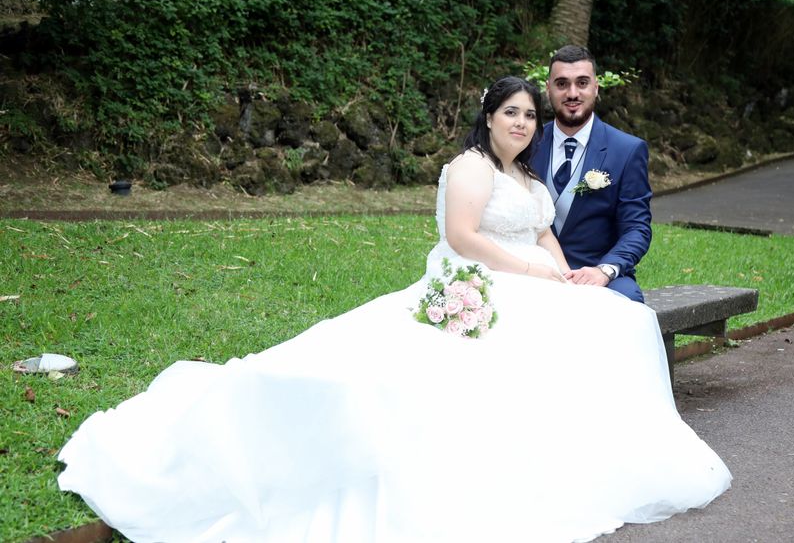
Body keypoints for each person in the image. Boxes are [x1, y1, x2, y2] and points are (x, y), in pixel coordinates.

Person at [57, 76, 731, 543]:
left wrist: (564, 268)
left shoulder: (525, 176)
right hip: (476, 287)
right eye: (512, 114)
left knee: (617, 320)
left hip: (534, 281)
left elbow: (540, 227)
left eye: (531, 115)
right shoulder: (470, 167)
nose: (523, 124)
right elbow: (466, 237)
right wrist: (537, 270)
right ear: (488, 117)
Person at [532, 45, 652, 302]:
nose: (572, 93)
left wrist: (604, 270)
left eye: (582, 83)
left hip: (596, 271)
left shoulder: (627, 150)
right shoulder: (526, 145)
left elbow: (636, 228)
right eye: (562, 84)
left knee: (628, 305)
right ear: (548, 88)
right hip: (533, 271)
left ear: (596, 88)